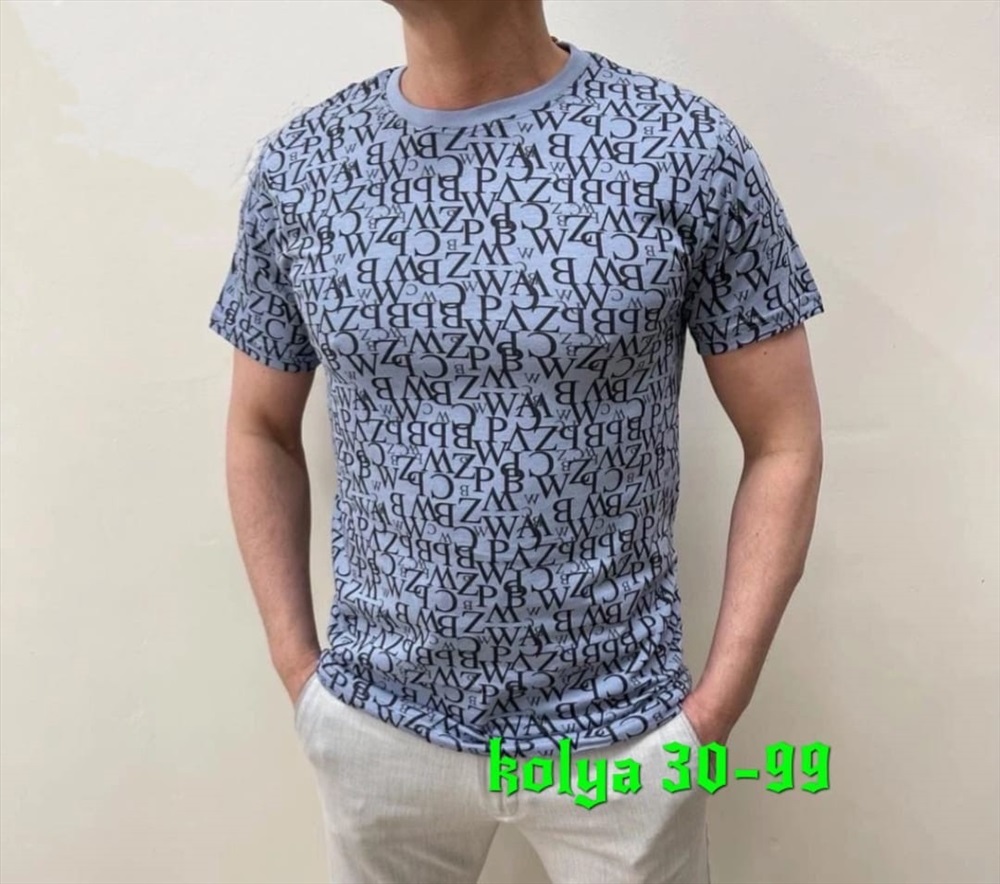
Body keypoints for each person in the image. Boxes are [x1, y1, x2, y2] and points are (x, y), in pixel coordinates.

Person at [207, 1, 825, 881]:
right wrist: (301, 676)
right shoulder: (305, 168)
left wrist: (711, 718)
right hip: (378, 728)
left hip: (624, 738)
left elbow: (784, 441)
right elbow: (260, 428)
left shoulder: (681, 148)